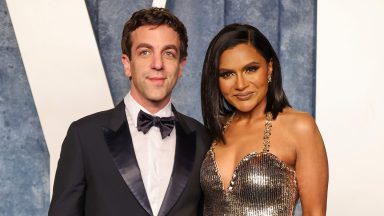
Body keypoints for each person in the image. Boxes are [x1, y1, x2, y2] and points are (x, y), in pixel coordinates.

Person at [49, 7, 210, 216]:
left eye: (168, 53)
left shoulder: (202, 139)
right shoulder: (84, 136)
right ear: (127, 64)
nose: (158, 64)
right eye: (145, 52)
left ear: (180, 67)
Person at [200, 23, 328, 216]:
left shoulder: (300, 127)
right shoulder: (215, 130)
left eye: (250, 69)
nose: (241, 84)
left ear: (269, 68)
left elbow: (314, 212)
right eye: (227, 74)